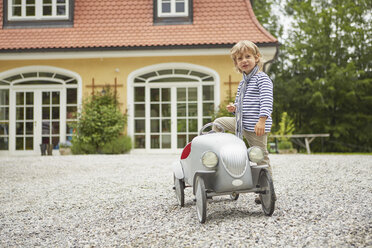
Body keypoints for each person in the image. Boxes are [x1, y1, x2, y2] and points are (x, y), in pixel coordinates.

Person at [213, 40, 274, 204]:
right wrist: (235, 107)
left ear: (257, 58)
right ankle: (220, 153)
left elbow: (267, 101)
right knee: (219, 123)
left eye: (248, 56)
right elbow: (242, 102)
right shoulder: (243, 82)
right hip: (241, 123)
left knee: (261, 157)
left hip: (256, 126)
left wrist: (262, 121)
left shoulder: (262, 79)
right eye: (240, 59)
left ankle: (267, 191)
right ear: (237, 64)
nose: (244, 61)